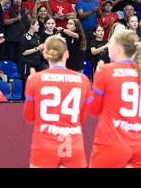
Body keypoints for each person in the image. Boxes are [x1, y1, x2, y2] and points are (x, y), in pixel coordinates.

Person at [23, 35, 92, 168]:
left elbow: (28, 117)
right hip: (73, 144)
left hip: (44, 145)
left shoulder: (35, 79)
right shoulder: (82, 80)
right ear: (66, 54)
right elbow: (82, 118)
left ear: (44, 53)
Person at [89, 29, 141, 168]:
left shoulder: (105, 71)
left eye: (110, 43)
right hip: (138, 145)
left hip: (111, 143)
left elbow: (94, 110)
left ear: (118, 48)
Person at [20, 18, 45, 86]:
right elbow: (23, 52)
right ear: (31, 25)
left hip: (37, 64)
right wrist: (37, 48)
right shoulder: (25, 37)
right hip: (27, 65)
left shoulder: (37, 36)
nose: (39, 26)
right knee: (27, 86)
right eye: (37, 24)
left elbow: (40, 50)